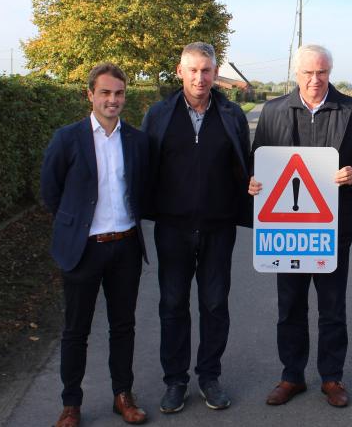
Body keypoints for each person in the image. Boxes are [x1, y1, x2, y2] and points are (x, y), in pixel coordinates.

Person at [249, 44, 352, 408]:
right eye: (307, 73)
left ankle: (332, 378)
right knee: (290, 306)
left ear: (330, 72)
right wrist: (254, 181)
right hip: (286, 232)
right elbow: (257, 162)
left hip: (333, 230)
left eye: (321, 72)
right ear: (296, 74)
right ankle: (291, 376)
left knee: (332, 307)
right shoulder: (276, 111)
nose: (314, 80)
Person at [141, 42, 251, 413]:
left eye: (207, 70)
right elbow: (144, 166)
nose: (200, 78)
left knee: (215, 304)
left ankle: (209, 376)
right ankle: (175, 381)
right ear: (180, 72)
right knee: (172, 304)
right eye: (193, 70)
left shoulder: (232, 114)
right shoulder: (158, 114)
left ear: (216, 72)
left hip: (219, 228)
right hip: (173, 228)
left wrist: (250, 187)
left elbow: (244, 165)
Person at [40, 63, 150, 427]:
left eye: (118, 93)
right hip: (84, 249)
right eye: (105, 92)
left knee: (123, 326)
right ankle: (71, 404)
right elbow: (51, 191)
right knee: (76, 329)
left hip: (126, 248)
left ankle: (123, 396)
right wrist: (76, 226)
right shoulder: (67, 138)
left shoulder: (136, 140)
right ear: (90, 95)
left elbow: (141, 189)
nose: (112, 100)